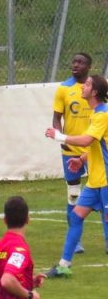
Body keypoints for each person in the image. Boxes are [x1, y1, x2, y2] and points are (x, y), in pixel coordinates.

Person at [43, 73, 108, 278]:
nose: (82, 86)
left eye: (87, 84)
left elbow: (87, 139)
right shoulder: (96, 113)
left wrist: (59, 136)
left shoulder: (103, 114)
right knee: (76, 216)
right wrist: (82, 160)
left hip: (106, 181)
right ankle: (64, 265)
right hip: (96, 181)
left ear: (95, 92)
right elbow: (98, 145)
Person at [51, 52, 107, 255]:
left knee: (103, 194)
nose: (75, 65)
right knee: (74, 196)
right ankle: (75, 243)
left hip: (96, 151)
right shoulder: (64, 89)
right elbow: (56, 118)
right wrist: (61, 138)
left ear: (89, 66)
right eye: (73, 61)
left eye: (80, 62)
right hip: (72, 150)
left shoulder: (98, 91)